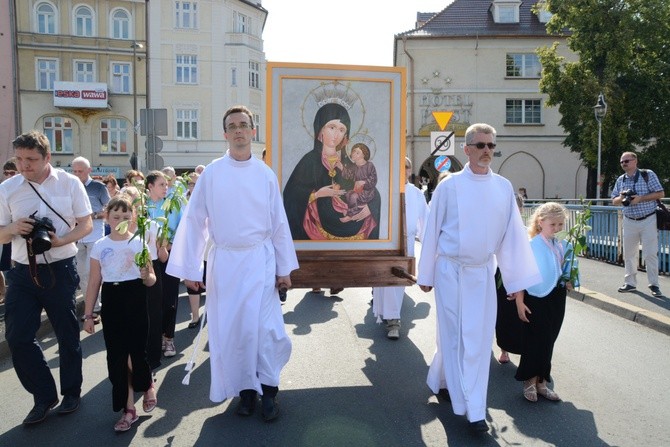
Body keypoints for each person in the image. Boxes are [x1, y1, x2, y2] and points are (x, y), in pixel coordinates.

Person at [167, 105, 298, 422]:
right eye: (232, 126)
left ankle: (269, 392)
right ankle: (246, 393)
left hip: (260, 261)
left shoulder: (265, 174)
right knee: (235, 333)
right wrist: (191, 270)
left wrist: (284, 269)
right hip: (225, 264)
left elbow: (278, 223)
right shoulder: (212, 173)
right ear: (225, 133)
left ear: (253, 131)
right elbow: (195, 220)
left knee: (266, 331)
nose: (239, 130)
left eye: (244, 125)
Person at [417, 123, 541, 433]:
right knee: (458, 336)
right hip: (449, 271)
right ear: (467, 149)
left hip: (483, 273)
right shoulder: (448, 187)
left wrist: (516, 282)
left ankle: (442, 380)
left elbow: (513, 237)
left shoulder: (502, 187)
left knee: (477, 339)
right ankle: (473, 410)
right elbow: (432, 232)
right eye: (481, 145)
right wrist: (426, 273)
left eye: (491, 145)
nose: (487, 150)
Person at [0, 130, 93, 425]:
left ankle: (71, 392)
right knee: (17, 337)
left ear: (47, 157)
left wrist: (59, 241)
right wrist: (14, 228)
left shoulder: (69, 183)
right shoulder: (8, 188)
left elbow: (86, 224)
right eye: (20, 159)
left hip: (60, 268)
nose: (25, 165)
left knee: (67, 334)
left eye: (31, 159)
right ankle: (43, 396)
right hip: (22, 272)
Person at [82, 195, 158, 432]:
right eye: (116, 216)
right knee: (117, 355)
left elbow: (151, 279)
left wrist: (147, 276)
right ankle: (128, 409)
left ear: (133, 218)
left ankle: (147, 385)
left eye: (126, 216)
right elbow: (94, 282)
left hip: (135, 297)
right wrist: (88, 315)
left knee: (136, 351)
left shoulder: (139, 242)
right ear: (107, 218)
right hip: (112, 300)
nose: (121, 220)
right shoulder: (100, 245)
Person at [283, 102, 380, 240]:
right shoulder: (309, 161)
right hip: (317, 226)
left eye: (341, 130)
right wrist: (316, 195)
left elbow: (372, 190)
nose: (336, 134)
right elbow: (291, 196)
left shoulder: (349, 164)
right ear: (320, 130)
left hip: (354, 225)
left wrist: (371, 207)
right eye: (332, 127)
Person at [515, 202, 576, 402]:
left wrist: (569, 279)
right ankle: (529, 381)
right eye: (553, 224)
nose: (557, 229)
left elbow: (562, 269)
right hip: (536, 298)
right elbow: (521, 274)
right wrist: (519, 302)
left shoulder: (561, 244)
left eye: (560, 225)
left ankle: (542, 382)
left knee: (549, 339)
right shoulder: (532, 245)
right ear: (541, 222)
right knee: (536, 339)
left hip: (556, 298)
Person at [371, 157, 428, 339]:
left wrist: (430, 245)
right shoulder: (384, 190)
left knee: (397, 283)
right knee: (384, 280)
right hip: (384, 244)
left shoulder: (417, 194)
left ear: (410, 171)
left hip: (406, 244)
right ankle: (392, 319)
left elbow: (425, 223)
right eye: (400, 167)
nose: (403, 171)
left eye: (406, 168)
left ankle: (393, 319)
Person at [611, 152, 664, 297]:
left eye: (627, 161)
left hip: (648, 219)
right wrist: (621, 197)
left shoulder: (647, 174)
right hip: (629, 220)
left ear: (635, 161)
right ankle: (630, 283)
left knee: (650, 253)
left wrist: (640, 198)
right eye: (622, 162)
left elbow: (660, 193)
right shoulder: (620, 180)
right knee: (629, 253)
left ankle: (654, 285)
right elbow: (613, 200)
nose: (624, 163)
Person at [145, 171, 182, 358]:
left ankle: (169, 338)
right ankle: (156, 337)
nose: (166, 187)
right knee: (153, 301)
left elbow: (183, 229)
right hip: (149, 259)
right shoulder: (142, 207)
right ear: (150, 186)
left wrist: (171, 243)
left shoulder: (174, 205)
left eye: (167, 184)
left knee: (170, 300)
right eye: (161, 184)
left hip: (171, 256)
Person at [72, 156, 110, 323]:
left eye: (80, 171)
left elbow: (109, 210)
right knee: (81, 274)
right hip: (77, 237)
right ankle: (92, 306)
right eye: (74, 171)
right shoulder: (71, 187)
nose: (77, 174)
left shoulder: (98, 187)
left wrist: (92, 216)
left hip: (95, 235)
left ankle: (94, 309)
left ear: (89, 170)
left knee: (90, 272)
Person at [495, 193, 527, 364]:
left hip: (520, 276)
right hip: (500, 276)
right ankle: (504, 350)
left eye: (517, 208)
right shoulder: (497, 228)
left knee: (518, 315)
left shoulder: (526, 230)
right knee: (502, 314)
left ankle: (523, 350)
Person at [340, 143, 378, 223]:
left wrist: (363, 182)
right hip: (357, 190)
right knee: (348, 194)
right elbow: (348, 175)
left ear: (364, 155)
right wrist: (341, 168)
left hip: (367, 192)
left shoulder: (369, 166)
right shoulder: (353, 166)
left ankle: (350, 215)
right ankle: (354, 209)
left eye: (357, 152)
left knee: (353, 196)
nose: (354, 154)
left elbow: (373, 179)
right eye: (353, 151)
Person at [0, 158, 18, 304]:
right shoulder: (4, 189)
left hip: (21, 237)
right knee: (6, 266)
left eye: (12, 172)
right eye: (6, 173)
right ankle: (7, 294)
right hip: (7, 234)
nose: (9, 175)